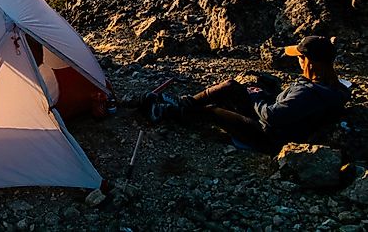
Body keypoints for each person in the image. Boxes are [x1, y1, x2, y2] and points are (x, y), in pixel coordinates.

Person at [149, 36, 350, 152]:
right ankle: (185, 103)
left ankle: (168, 113)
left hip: (267, 135)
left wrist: (257, 97)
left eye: (300, 57)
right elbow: (293, 108)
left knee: (212, 111)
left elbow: (273, 117)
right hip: (275, 123)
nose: (298, 61)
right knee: (230, 86)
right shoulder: (335, 87)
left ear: (309, 61)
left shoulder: (310, 92)